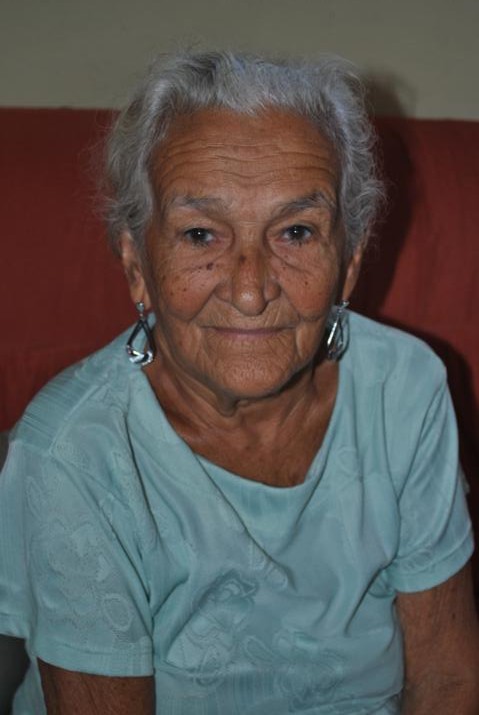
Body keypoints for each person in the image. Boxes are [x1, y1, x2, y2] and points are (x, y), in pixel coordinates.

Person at [0, 51, 478, 715]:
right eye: (201, 234)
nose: (251, 290)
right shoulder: (73, 453)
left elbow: (448, 680)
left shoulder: (404, 386)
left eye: (296, 231)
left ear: (348, 261)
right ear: (137, 265)